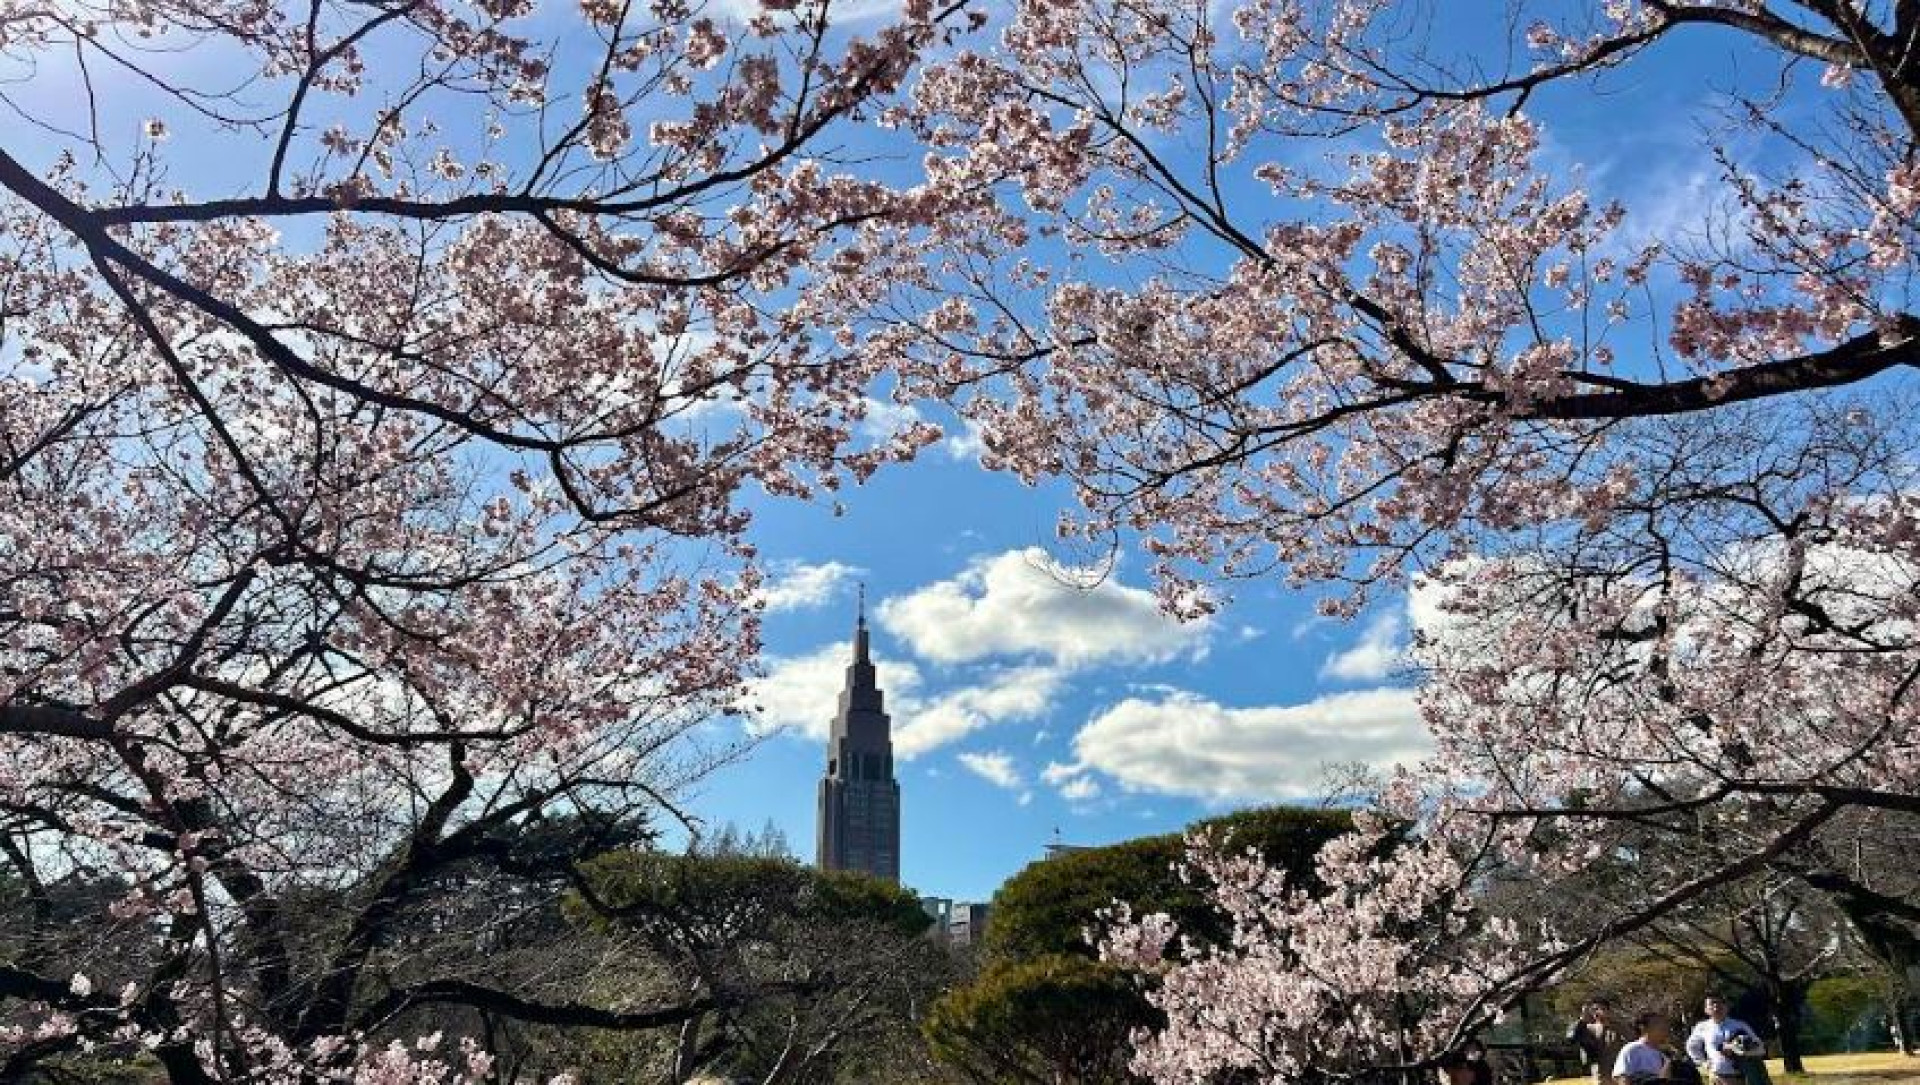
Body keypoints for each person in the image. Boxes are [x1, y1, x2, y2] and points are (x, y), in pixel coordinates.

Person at [1685, 997, 1766, 1085]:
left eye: (1720, 1002)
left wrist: (1740, 1050)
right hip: (1716, 1078)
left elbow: (1761, 1049)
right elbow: (1691, 1047)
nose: (1716, 1006)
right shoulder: (1702, 1027)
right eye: (1712, 1003)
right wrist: (1704, 1063)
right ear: (1706, 1010)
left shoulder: (1740, 1025)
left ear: (1726, 1007)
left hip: (1740, 1078)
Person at [1570, 999, 1631, 1085]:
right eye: (1594, 1010)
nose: (1597, 1013)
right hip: (1597, 1075)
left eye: (1601, 1009)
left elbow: (1632, 1040)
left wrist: (1611, 1024)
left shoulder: (1618, 1026)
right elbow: (1572, 1038)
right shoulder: (1588, 1028)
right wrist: (1582, 1018)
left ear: (1608, 1011)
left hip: (1616, 1074)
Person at [1614, 1012, 1675, 1085]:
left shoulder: (1663, 1054)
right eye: (1657, 1024)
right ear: (1643, 1028)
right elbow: (1622, 1078)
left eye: (1664, 1025)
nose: (1663, 1028)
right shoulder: (1632, 1049)